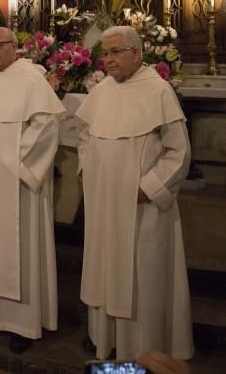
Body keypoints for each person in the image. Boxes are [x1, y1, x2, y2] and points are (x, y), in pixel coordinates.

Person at [75, 26, 193, 361]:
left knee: (143, 278)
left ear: (136, 54)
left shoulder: (158, 91)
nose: (107, 60)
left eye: (114, 52)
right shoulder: (102, 92)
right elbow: (85, 134)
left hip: (144, 209)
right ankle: (105, 338)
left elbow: (178, 152)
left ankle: (144, 353)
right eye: (105, 53)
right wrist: (91, 169)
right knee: (105, 268)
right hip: (104, 204)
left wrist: (149, 187)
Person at [0, 27, 65, 353]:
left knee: (19, 250)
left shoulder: (31, 80)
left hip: (16, 185)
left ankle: (21, 323)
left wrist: (16, 165)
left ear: (13, 47)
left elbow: (46, 126)